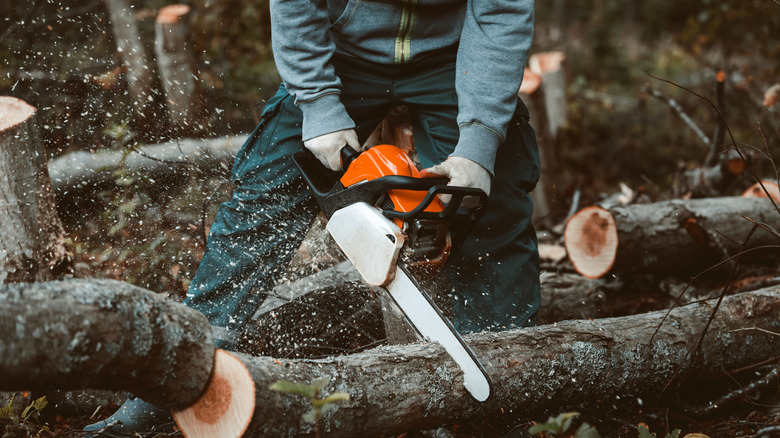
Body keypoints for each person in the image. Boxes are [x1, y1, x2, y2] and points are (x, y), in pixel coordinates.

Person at [85, 0, 540, 433]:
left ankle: (505, 385)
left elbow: (501, 10)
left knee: (490, 205)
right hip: (341, 52)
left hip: (457, 55)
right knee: (262, 200)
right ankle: (185, 365)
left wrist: (479, 141)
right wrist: (319, 103)